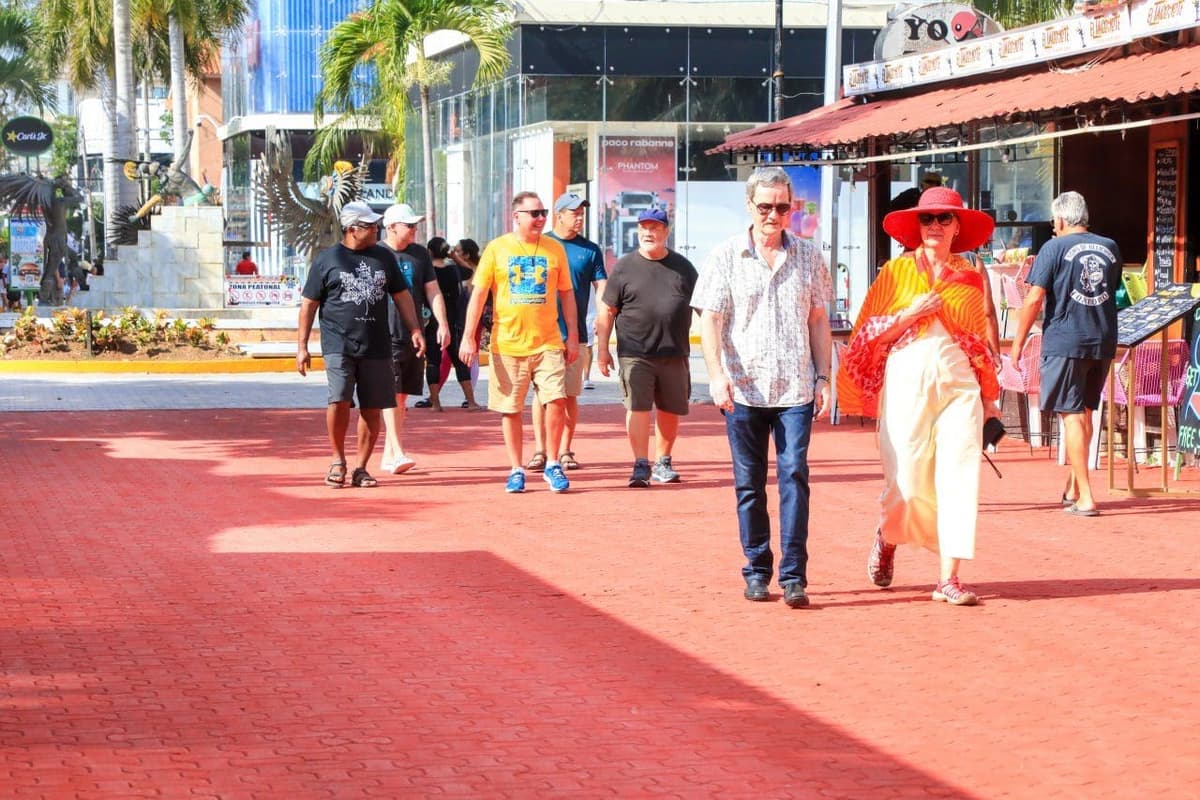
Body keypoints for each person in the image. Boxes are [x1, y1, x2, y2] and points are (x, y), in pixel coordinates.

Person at [837, 186, 999, 607]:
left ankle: (949, 577)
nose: (935, 226)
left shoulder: (970, 276)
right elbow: (865, 335)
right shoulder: (895, 272)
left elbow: (979, 344)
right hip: (907, 376)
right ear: (916, 225)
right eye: (928, 219)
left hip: (959, 384)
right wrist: (911, 314)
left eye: (945, 219)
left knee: (959, 476)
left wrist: (990, 399)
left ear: (958, 227)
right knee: (906, 478)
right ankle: (888, 535)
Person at [692, 167, 833, 609]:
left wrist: (824, 377)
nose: (774, 215)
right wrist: (716, 376)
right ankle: (756, 569)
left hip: (794, 388)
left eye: (783, 207)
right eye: (766, 206)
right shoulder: (726, 256)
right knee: (749, 484)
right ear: (750, 206)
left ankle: (794, 576)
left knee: (795, 476)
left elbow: (817, 320)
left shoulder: (809, 256)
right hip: (743, 389)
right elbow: (709, 321)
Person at [296, 201, 426, 488]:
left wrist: (415, 327)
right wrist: (302, 346)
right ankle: (337, 459)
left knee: (372, 407)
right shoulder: (327, 260)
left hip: (377, 345)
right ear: (352, 229)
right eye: (370, 226)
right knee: (339, 398)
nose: (376, 230)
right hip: (338, 343)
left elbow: (402, 295)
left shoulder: (384, 258)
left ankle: (361, 468)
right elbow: (309, 304)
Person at [1010, 191, 1121, 517]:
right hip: (1101, 339)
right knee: (1084, 412)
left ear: (1059, 219)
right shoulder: (1110, 248)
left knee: (1070, 415)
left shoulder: (1053, 247)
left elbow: (1033, 298)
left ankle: (1086, 496)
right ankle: (1074, 485)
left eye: (1052, 221)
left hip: (1065, 339)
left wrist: (1017, 343)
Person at [459, 191, 578, 494]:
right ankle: (516, 469)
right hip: (507, 343)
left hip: (548, 342)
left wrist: (573, 337)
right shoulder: (497, 249)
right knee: (511, 409)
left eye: (543, 213)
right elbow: (479, 294)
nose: (541, 219)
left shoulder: (554, 249)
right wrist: (468, 336)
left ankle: (552, 463)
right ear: (517, 216)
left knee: (557, 400)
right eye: (534, 213)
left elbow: (566, 294)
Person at [596, 207, 698, 487]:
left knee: (670, 408)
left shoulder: (684, 268)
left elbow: (705, 307)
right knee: (638, 408)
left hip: (674, 352)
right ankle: (641, 463)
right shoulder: (624, 267)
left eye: (655, 228)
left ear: (666, 231)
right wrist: (602, 350)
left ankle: (663, 462)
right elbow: (607, 311)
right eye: (644, 228)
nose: (649, 232)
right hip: (635, 352)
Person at [528, 192, 606, 471]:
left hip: (576, 334)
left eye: (582, 212)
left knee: (569, 395)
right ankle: (540, 449)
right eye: (574, 212)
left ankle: (565, 450)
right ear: (559, 215)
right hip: (543, 335)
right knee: (542, 395)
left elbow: (602, 288)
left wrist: (603, 317)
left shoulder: (590, 250)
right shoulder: (542, 244)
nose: (579, 217)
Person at [377, 203, 450, 474]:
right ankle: (397, 451)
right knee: (391, 395)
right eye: (409, 225)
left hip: (414, 334)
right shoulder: (376, 254)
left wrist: (442, 323)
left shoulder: (420, 255)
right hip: (384, 334)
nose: (413, 230)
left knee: (402, 397)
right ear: (391, 227)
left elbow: (432, 291)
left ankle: (388, 455)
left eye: (415, 225)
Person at [425, 236, 481, 411]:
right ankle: (471, 401)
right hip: (453, 322)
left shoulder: (428, 272)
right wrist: (454, 256)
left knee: (433, 361)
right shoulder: (454, 270)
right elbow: (469, 271)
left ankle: (435, 402)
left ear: (429, 251)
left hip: (432, 322)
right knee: (460, 362)